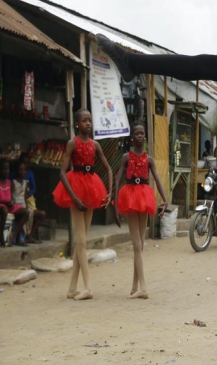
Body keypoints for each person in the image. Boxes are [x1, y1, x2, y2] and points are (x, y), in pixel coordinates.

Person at [52, 109, 112, 300]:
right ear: (77, 123)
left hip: (92, 187)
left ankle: (71, 288)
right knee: (82, 240)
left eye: (90, 120)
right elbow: (62, 172)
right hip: (76, 189)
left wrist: (110, 192)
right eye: (84, 121)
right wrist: (75, 199)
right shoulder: (72, 143)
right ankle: (87, 287)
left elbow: (108, 168)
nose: (88, 123)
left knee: (81, 241)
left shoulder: (95, 145)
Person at [114, 122, 168, 299]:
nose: (139, 135)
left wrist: (165, 199)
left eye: (142, 133)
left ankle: (139, 288)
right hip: (130, 197)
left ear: (145, 136)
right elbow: (118, 179)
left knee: (140, 244)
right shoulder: (126, 157)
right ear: (132, 137)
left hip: (144, 196)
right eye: (136, 133)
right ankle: (138, 287)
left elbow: (158, 180)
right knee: (137, 245)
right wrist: (114, 204)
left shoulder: (149, 159)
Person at [12, 153, 45, 243]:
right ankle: (16, 236)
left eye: (24, 169)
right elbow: (12, 198)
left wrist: (28, 194)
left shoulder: (27, 180)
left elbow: (33, 188)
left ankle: (29, 235)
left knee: (40, 213)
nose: (23, 172)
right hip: (17, 206)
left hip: (27, 200)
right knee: (27, 212)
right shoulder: (13, 182)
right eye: (21, 170)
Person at [0, 159, 30, 247]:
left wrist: (11, 202)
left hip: (9, 205)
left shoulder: (9, 182)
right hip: (2, 205)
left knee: (26, 212)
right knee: (4, 210)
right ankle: (2, 236)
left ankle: (13, 237)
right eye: (4, 169)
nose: (6, 171)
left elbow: (11, 197)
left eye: (8, 169)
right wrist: (6, 201)